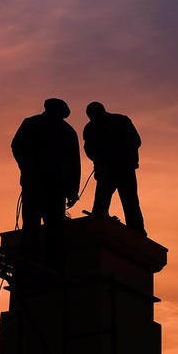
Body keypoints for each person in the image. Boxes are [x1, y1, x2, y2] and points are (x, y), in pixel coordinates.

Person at [11, 98, 81, 264]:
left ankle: (28, 262)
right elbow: (74, 164)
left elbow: (16, 146)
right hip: (55, 186)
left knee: (31, 224)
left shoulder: (31, 123)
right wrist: (73, 191)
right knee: (54, 228)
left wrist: (26, 168)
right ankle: (53, 265)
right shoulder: (67, 131)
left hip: (35, 182)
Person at [83, 102, 146, 236]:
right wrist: (99, 159)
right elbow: (89, 149)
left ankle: (137, 233)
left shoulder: (120, 121)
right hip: (109, 170)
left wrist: (115, 153)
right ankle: (98, 229)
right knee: (104, 202)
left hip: (123, 168)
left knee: (128, 201)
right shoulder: (91, 128)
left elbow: (135, 141)